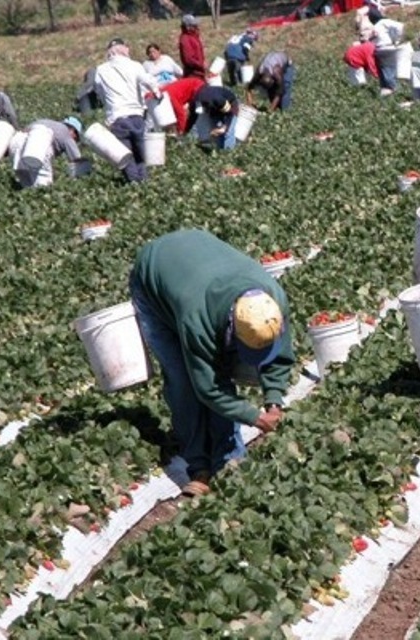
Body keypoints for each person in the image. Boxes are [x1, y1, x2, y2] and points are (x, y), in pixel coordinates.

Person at [129, 229, 295, 496]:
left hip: (198, 263)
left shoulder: (272, 303)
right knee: (183, 379)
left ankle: (228, 459)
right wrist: (255, 417)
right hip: (154, 277)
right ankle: (198, 465)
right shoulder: (197, 319)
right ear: (232, 328)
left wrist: (273, 400)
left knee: (223, 367)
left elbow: (281, 356)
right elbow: (210, 387)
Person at [94, 38, 162, 183]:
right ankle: (144, 183)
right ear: (123, 49)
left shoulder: (100, 70)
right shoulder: (134, 65)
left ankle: (133, 185)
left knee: (125, 156)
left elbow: (99, 91)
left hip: (116, 118)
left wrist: (108, 106)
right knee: (141, 154)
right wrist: (158, 94)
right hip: (136, 116)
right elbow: (149, 81)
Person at [9, 117, 86, 189]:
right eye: (76, 138)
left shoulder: (46, 122)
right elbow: (78, 161)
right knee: (43, 188)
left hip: (17, 145)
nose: (75, 141)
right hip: (40, 146)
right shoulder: (66, 133)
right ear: (73, 131)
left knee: (25, 184)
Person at [184, 84, 240, 150]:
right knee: (216, 132)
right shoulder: (195, 101)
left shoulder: (218, 99)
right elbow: (193, 117)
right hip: (214, 108)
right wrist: (185, 130)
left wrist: (225, 127)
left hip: (230, 105)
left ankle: (229, 152)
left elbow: (229, 113)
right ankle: (219, 150)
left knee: (228, 133)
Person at [369, 11, 405, 96]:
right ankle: (388, 92)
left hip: (385, 48)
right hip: (381, 50)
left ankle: (395, 91)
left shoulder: (383, 22)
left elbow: (400, 26)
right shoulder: (377, 25)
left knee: (388, 72)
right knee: (385, 73)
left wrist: (397, 39)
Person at [178, 14, 207, 79]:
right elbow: (189, 60)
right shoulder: (185, 39)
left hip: (199, 72)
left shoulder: (193, 36)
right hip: (193, 74)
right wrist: (201, 65)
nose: (197, 26)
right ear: (188, 27)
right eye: (194, 25)